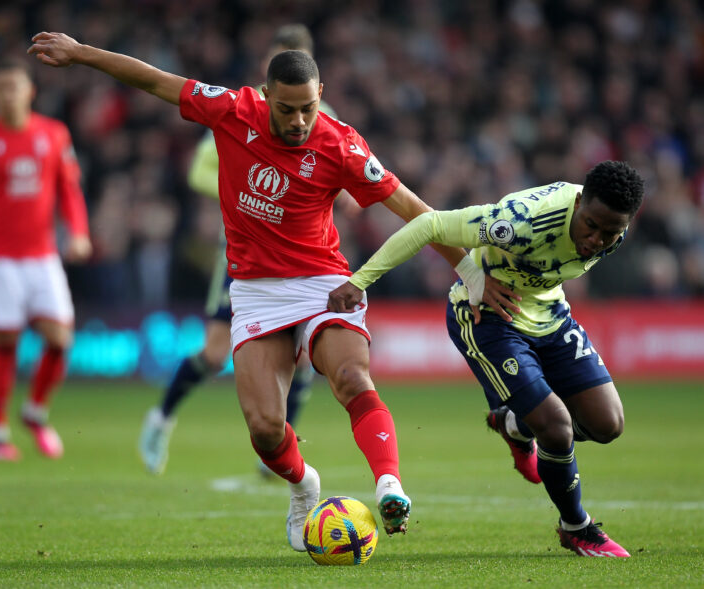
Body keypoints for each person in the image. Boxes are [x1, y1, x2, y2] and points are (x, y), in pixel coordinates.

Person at [27, 31, 513, 551]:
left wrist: (470, 270)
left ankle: (389, 484)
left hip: (325, 282)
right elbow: (153, 80)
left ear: (321, 92)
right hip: (256, 290)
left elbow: (417, 212)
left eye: (308, 107)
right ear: (265, 95)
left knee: (351, 375)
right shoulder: (231, 110)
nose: (299, 120)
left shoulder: (342, 144)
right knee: (264, 428)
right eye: (287, 109)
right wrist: (81, 55)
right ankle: (304, 485)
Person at [328, 160, 644, 558]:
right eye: (592, 225)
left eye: (610, 231)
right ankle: (576, 527)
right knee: (557, 427)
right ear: (579, 201)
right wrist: (360, 281)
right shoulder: (520, 221)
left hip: (549, 315)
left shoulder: (615, 227)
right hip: (487, 317)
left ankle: (513, 423)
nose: (597, 239)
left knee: (608, 424)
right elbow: (430, 224)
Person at [139, 24, 335, 477]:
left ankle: (280, 452)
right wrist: (244, 188)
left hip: (303, 262)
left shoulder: (327, 121)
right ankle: (161, 418)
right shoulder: (246, 113)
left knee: (307, 359)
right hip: (244, 257)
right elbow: (198, 171)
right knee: (213, 354)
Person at [0, 58, 92, 461]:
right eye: (2, 88)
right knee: (6, 342)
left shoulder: (53, 134)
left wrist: (78, 231)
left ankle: (34, 411)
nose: (9, 95)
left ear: (30, 92)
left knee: (61, 340)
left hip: (43, 255)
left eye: (16, 87)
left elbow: (69, 190)